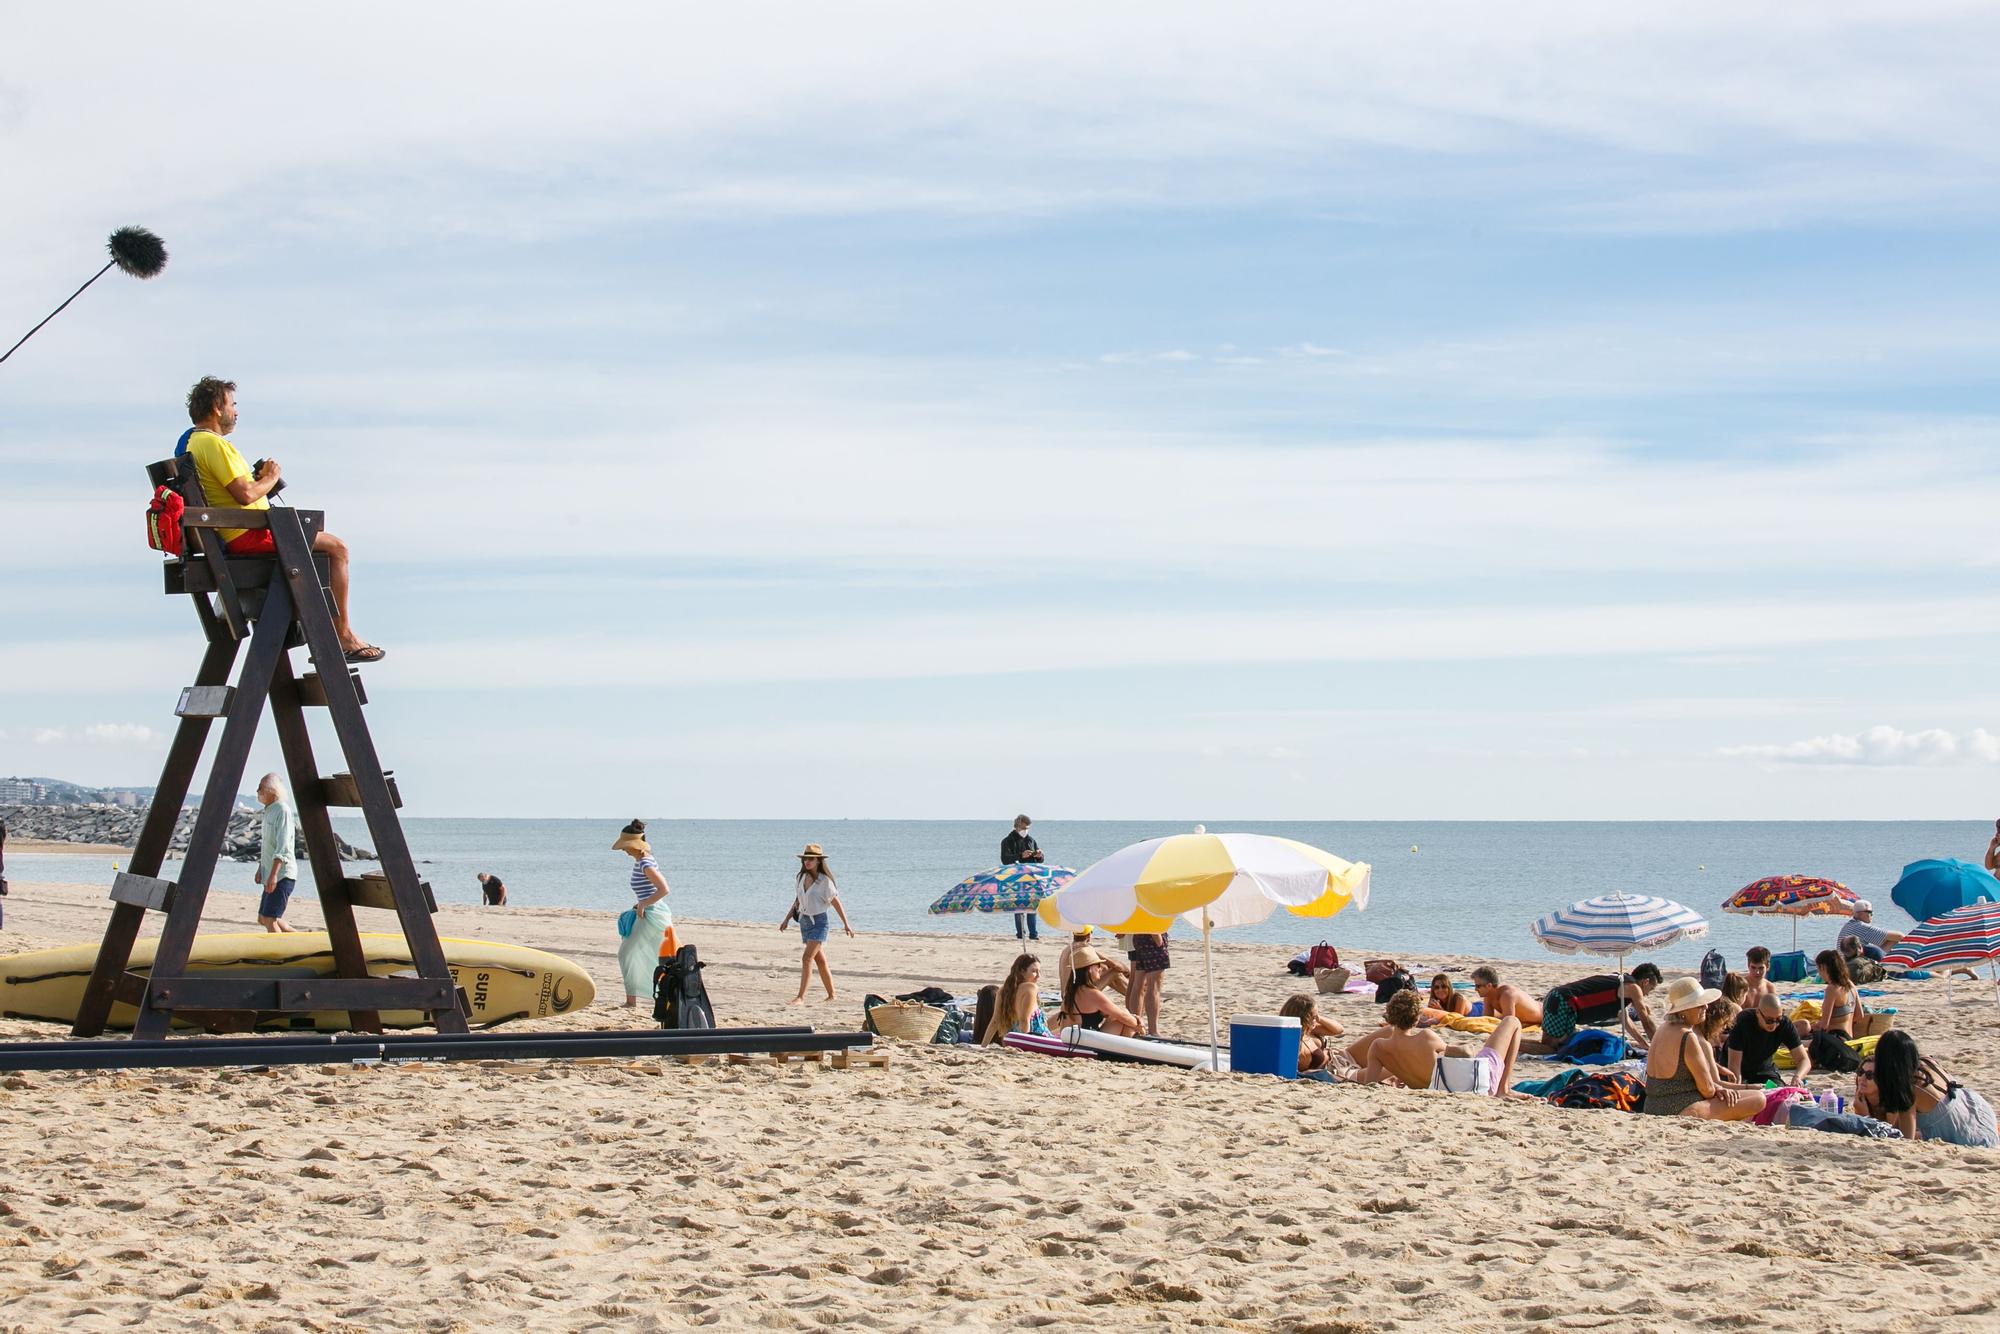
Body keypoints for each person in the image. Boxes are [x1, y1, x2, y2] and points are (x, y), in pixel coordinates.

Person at [176, 377, 383, 662]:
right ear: (216, 408)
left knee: (317, 544)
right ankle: (343, 635)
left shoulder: (192, 442)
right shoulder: (215, 445)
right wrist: (270, 477)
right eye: (232, 405)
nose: (236, 411)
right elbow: (246, 494)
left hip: (234, 534)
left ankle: (295, 627)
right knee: (337, 549)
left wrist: (260, 483)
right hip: (249, 536)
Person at [1355, 989, 1528, 1099]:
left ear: (1390, 1016)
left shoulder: (1378, 1047)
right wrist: (1467, 1047)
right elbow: (1465, 1053)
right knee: (1512, 1022)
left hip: (1439, 1087)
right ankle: (1503, 1089)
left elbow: (1370, 1085)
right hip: (1479, 1083)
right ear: (1417, 1019)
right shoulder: (1425, 1037)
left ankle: (1502, 1089)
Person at [1641, 978, 1763, 1120]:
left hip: (1651, 1105)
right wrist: (1719, 1089)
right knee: (1758, 1099)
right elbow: (1707, 1089)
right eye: (1699, 1005)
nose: (1705, 1007)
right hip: (1679, 1108)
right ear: (1684, 1011)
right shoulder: (1687, 1036)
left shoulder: (1663, 1028)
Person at [1853, 1031, 1999, 1148]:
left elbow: (1904, 1139)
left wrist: (1866, 1116)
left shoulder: (1910, 1088)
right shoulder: (1925, 1063)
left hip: (1967, 1135)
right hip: (1975, 1109)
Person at [779, 843, 854, 1005]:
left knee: (806, 958)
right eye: (805, 858)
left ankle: (800, 997)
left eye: (811, 859)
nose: (807, 861)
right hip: (804, 923)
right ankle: (832, 994)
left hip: (820, 923)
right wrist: (786, 919)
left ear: (818, 861)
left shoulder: (824, 881)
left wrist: (846, 924)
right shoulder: (800, 877)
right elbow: (798, 900)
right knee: (820, 960)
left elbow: (836, 902)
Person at [1532, 963, 1661, 1053]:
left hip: (1557, 996)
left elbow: (1626, 1021)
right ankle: (1512, 1044)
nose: (1648, 993)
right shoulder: (1633, 988)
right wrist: (1659, 1046)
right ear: (1645, 981)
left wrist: (1645, 1045)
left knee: (1547, 1044)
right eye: (1651, 989)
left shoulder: (1623, 982)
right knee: (1553, 1048)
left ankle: (1512, 1042)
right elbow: (1646, 1021)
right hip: (1565, 1003)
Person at [612, 821, 673, 1007]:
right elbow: (648, 890)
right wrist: (640, 903)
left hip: (653, 914)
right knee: (643, 954)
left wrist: (643, 904)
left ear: (635, 846)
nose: (624, 851)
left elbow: (664, 889)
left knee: (627, 953)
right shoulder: (643, 859)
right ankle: (640, 999)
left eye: (626, 847)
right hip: (650, 911)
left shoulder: (646, 862)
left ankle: (634, 1000)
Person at [1725, 993, 1811, 1087]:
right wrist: (1740, 1088)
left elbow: (1803, 1059)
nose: (1774, 1025)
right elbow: (1734, 1064)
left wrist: (1797, 1077)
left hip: (1762, 1070)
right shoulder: (1743, 1022)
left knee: (1777, 1092)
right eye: (1769, 1021)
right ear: (1758, 1012)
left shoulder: (1785, 1024)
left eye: (1778, 1019)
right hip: (1733, 1070)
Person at [1058, 946, 1142, 1036]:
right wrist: (1139, 1024)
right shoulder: (1092, 994)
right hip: (1085, 1043)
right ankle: (1127, 1047)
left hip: (1071, 1039)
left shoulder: (1071, 991)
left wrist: (1134, 1018)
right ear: (1089, 969)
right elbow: (1123, 1017)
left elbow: (1110, 1013)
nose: (1101, 968)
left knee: (1121, 1016)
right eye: (1098, 965)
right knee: (1127, 1020)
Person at [254, 773, 299, 933]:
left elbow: (283, 846)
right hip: (271, 874)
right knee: (263, 918)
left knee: (269, 919)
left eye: (261, 788)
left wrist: (273, 875)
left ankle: (280, 956)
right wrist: (261, 869)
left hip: (282, 875)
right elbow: (268, 845)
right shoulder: (269, 811)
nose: (257, 791)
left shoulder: (282, 810)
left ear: (271, 790)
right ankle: (299, 941)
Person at [981, 954, 1050, 1043]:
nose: (1038, 976)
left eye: (1039, 971)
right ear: (1022, 971)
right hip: (1035, 1038)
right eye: (1034, 971)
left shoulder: (1003, 991)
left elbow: (995, 1021)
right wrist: (1025, 1044)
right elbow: (1024, 1020)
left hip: (1009, 1040)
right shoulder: (1031, 988)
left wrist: (984, 1045)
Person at [1278, 993, 1348, 1078]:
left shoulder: (1310, 1030)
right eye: (1313, 1016)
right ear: (1304, 1018)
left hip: (1337, 1063)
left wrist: (1319, 1018)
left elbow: (1339, 1029)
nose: (1316, 1020)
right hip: (1332, 1071)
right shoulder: (1293, 1041)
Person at [1000, 814, 1043, 942]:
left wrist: (1039, 855)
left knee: (1032, 906)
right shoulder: (1007, 841)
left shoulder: (1031, 840)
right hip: (1015, 876)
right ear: (1017, 826)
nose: (1026, 830)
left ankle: (1033, 934)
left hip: (1031, 876)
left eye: (1028, 828)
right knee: (1019, 907)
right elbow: (1005, 859)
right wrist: (1020, 855)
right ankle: (1020, 933)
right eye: (1024, 828)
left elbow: (1038, 861)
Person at [1058, 928, 1128, 999]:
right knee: (1115, 972)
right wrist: (1128, 972)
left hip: (1065, 996)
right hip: (1077, 997)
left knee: (1104, 968)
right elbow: (1117, 966)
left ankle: (1132, 995)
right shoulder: (1085, 948)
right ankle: (1134, 996)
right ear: (1089, 934)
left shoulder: (1067, 949)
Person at [1126, 929, 1169, 1037]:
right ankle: (1153, 1030)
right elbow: (1153, 918)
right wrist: (1158, 938)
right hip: (1151, 938)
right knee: (1153, 988)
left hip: (1138, 937)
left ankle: (1135, 1026)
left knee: (1138, 984)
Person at [1469, 966, 1543, 1029]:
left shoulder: (1507, 995)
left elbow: (1508, 1023)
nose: (1475, 989)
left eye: (1478, 986)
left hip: (1544, 1013)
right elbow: (1487, 1019)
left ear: (1489, 986)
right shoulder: (1488, 995)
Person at [1836, 901, 1902, 959]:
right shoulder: (1861, 927)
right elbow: (1900, 936)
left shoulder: (1849, 925)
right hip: (1855, 963)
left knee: (1883, 940)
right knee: (1894, 941)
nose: (1872, 914)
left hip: (1844, 963)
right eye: (1869, 912)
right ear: (1860, 913)